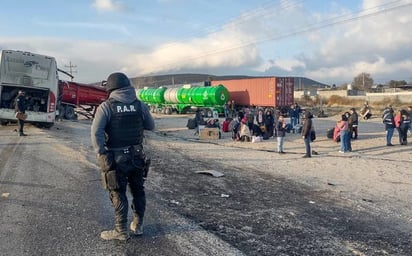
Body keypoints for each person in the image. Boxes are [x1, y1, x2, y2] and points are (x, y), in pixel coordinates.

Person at [91, 72, 155, 241]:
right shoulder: (139, 105)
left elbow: (96, 132)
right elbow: (151, 126)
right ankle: (138, 225)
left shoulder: (106, 106)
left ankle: (121, 231)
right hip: (137, 156)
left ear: (110, 88)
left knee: (117, 192)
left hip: (116, 158)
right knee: (138, 191)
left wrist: (101, 152)